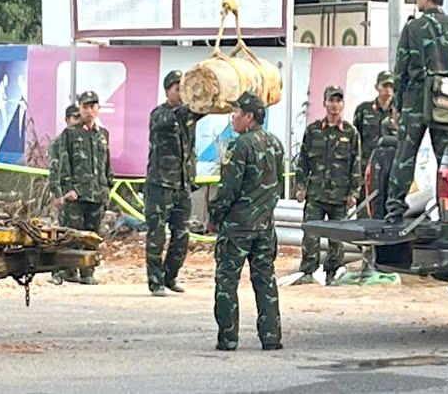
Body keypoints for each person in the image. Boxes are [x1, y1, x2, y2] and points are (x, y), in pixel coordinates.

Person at [384, 0, 448, 224]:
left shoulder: (413, 28)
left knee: (405, 155)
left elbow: (401, 69)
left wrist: (397, 105)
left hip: (415, 99)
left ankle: (394, 211)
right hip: (446, 99)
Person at [210, 91, 284, 352]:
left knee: (227, 281)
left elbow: (228, 189)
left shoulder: (240, 146)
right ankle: (271, 336)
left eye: (238, 112)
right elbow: (278, 184)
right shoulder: (276, 144)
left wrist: (215, 216)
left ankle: (228, 338)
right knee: (265, 280)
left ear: (249, 116)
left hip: (238, 227)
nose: (234, 117)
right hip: (265, 225)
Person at [145, 70, 205, 297]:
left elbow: (206, 108)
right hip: (160, 184)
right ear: (167, 91)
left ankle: (170, 276)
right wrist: (192, 105)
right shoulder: (159, 114)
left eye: (184, 89)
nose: (181, 93)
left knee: (182, 235)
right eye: (178, 89)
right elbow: (174, 117)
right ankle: (155, 281)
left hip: (182, 184)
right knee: (157, 234)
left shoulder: (188, 114)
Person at [293, 86, 362, 286]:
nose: (335, 105)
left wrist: (354, 192)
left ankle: (333, 272)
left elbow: (356, 164)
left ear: (343, 104)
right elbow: (303, 161)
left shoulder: (350, 133)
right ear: (324, 103)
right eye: (331, 100)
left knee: (337, 239)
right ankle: (308, 271)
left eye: (338, 101)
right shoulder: (313, 131)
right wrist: (300, 187)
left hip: (340, 196)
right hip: (316, 194)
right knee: (311, 234)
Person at [57, 90, 114, 285]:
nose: (89, 111)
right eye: (85, 107)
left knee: (92, 236)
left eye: (92, 106)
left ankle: (87, 272)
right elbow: (64, 164)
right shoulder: (70, 134)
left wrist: (108, 188)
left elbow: (107, 165)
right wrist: (68, 188)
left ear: (98, 109)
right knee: (73, 234)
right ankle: (69, 270)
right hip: (77, 195)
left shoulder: (103, 135)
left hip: (98, 194)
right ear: (80, 109)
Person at [49, 104, 82, 285]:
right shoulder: (59, 142)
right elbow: (54, 169)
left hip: (80, 194)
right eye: (75, 118)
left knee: (78, 234)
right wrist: (58, 194)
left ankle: (72, 270)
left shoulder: (83, 141)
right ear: (67, 120)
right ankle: (57, 271)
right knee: (64, 234)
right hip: (65, 194)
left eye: (79, 118)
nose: (78, 121)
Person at [353, 71, 395, 195]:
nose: (388, 90)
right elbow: (355, 140)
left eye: (391, 86)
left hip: (390, 169)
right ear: (377, 87)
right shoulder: (363, 110)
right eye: (385, 85)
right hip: (367, 168)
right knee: (365, 203)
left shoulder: (399, 112)